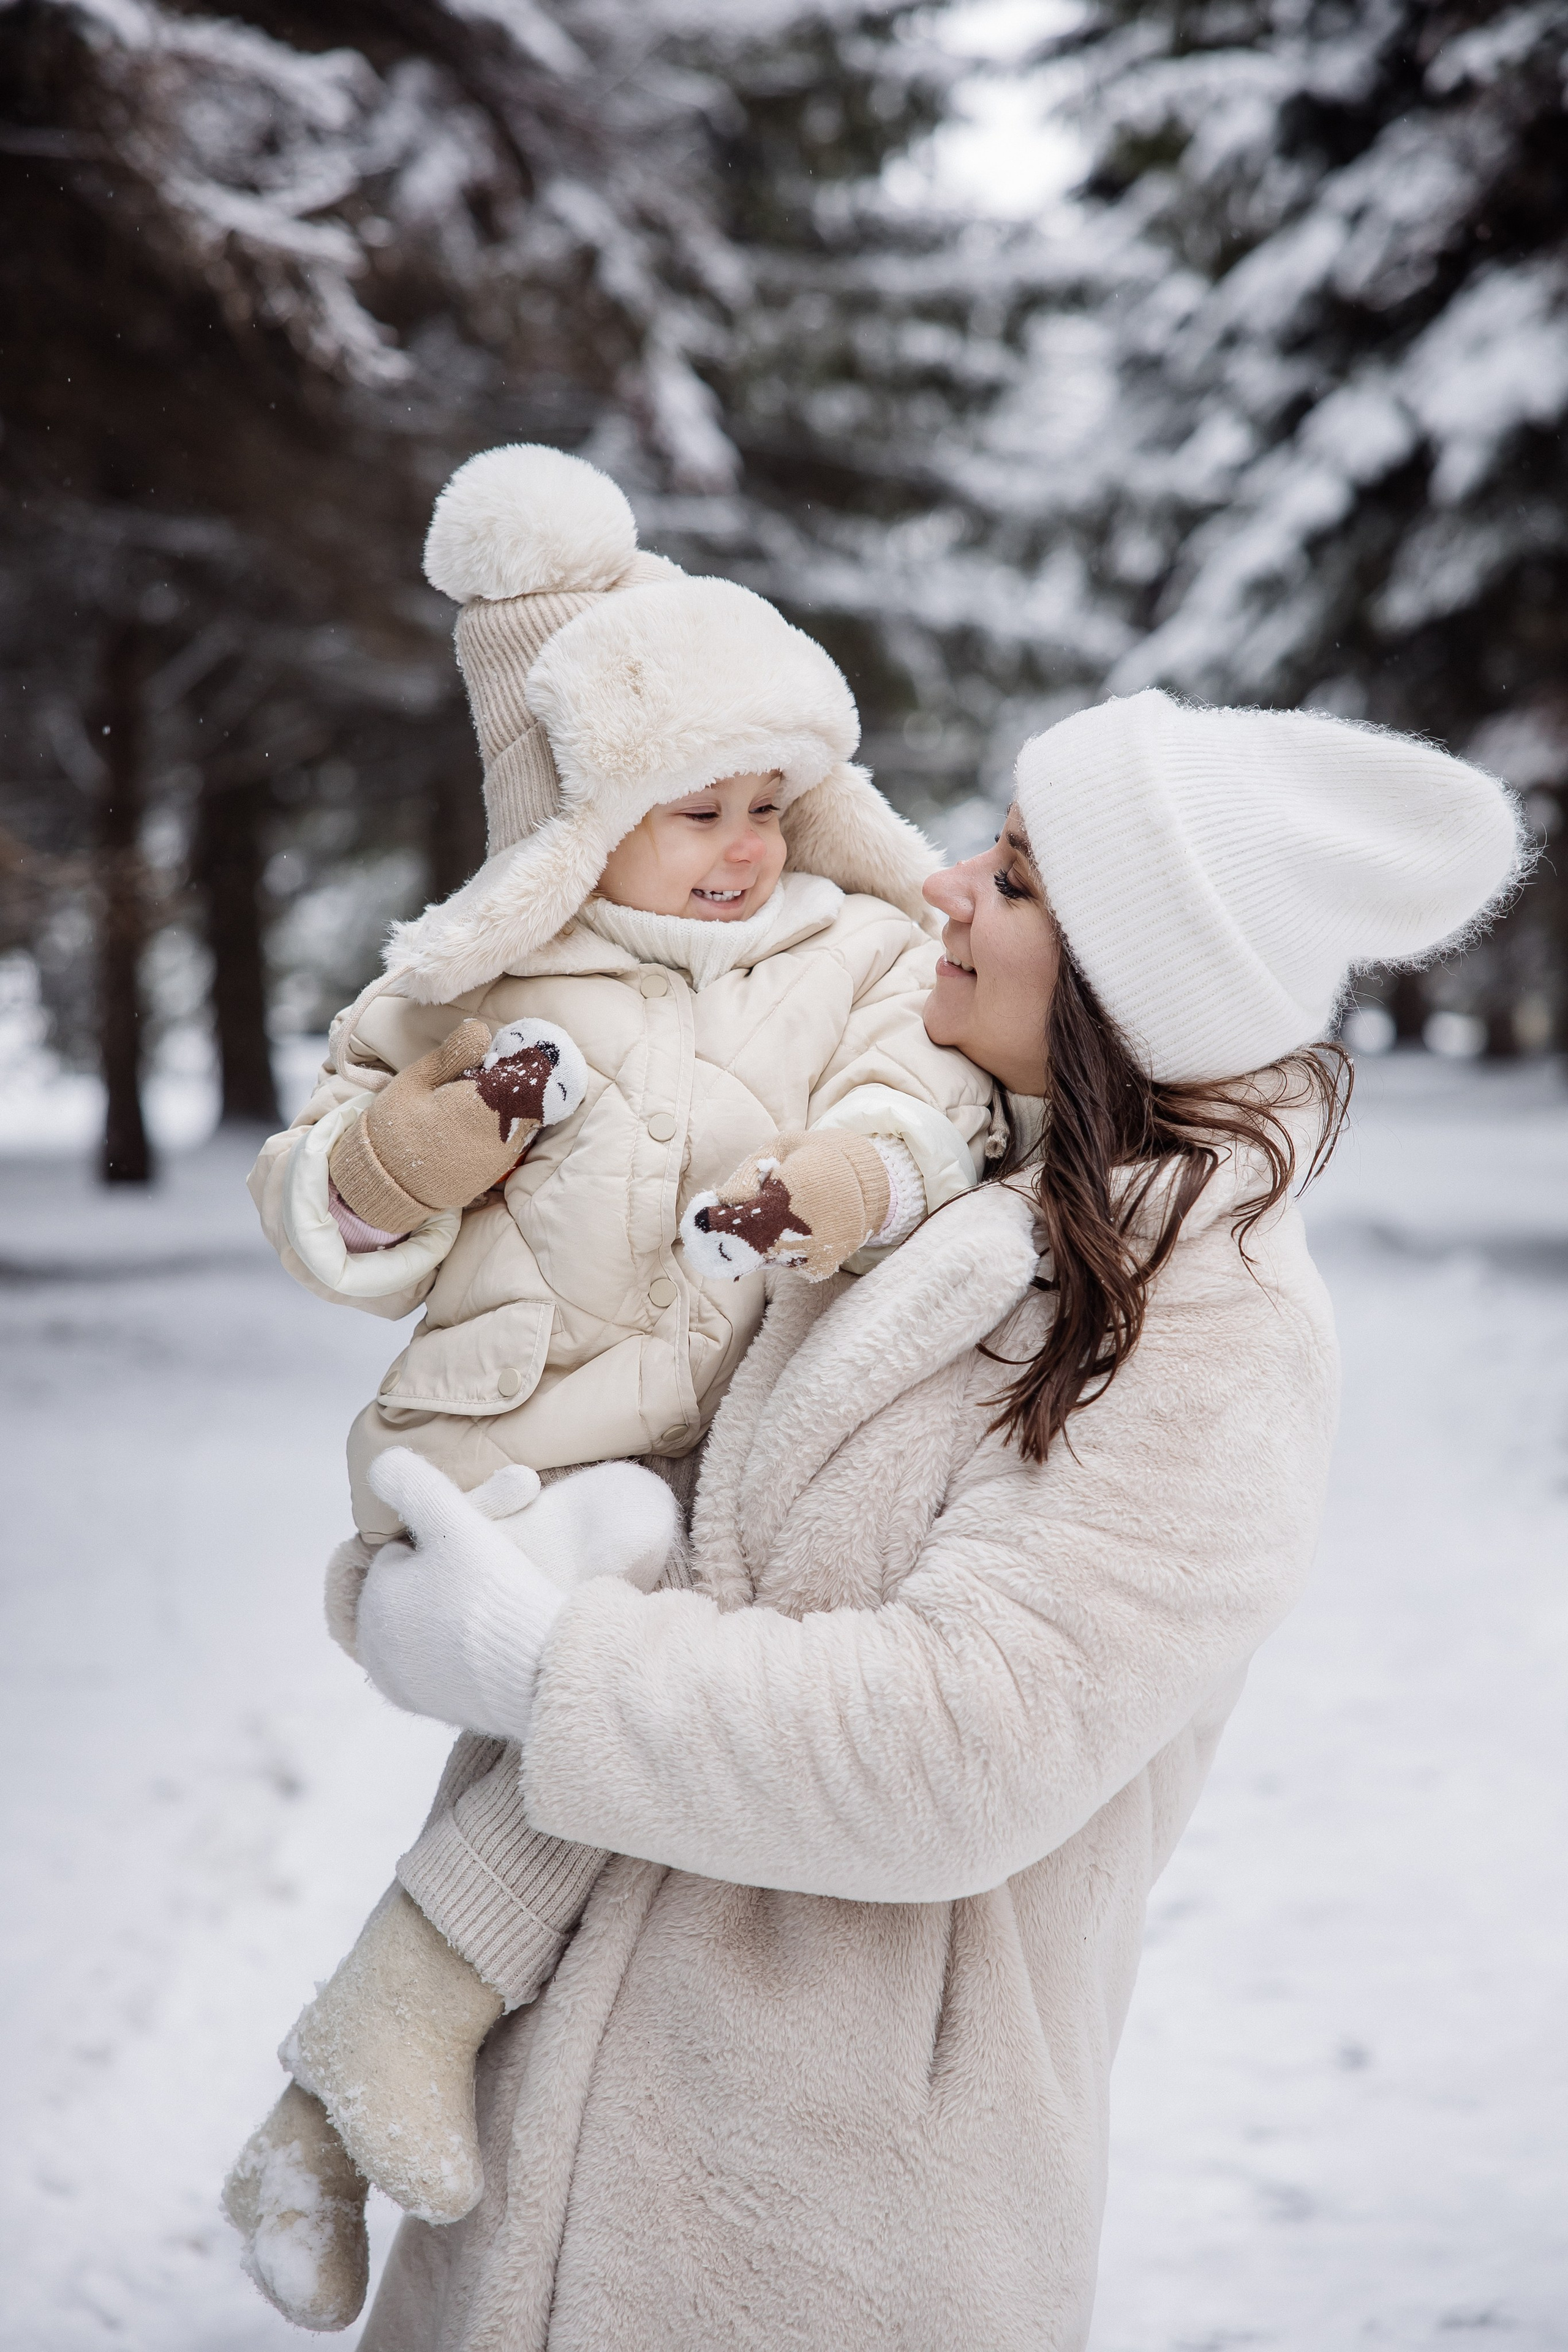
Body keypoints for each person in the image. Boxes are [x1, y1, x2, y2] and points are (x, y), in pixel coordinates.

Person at [301, 688, 1518, 2351]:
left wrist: (539, 1657)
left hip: (822, 2217)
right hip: (580, 2119)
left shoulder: (1217, 1330)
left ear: (1122, 988)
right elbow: (723, 1494)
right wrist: (503, 1525)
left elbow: (958, 1747)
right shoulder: (970, 1200)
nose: (942, 885)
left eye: (1015, 879)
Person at [225, 442, 993, 2322]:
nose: (744, 848)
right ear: (594, 815)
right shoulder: (492, 976)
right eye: (696, 811)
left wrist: (830, 1189)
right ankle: (362, 2070)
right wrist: (423, 1147)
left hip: (686, 1486)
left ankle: (332, 2108)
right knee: (607, 1673)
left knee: (601, 1723)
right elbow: (319, 1188)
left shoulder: (854, 959)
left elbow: (931, 1111)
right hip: (485, 1476)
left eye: (769, 804)